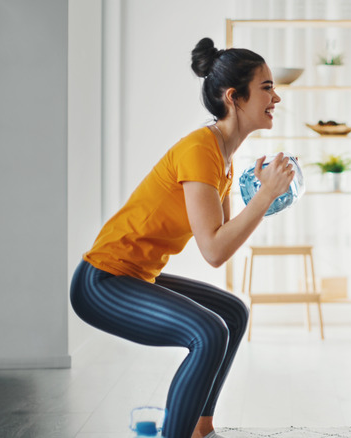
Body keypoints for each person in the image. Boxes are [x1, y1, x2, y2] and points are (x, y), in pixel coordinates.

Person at [70, 38, 293, 438]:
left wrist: (261, 196)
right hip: (101, 282)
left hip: (135, 276)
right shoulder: (199, 149)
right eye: (266, 87)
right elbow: (213, 251)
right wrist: (264, 197)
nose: (276, 97)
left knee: (232, 313)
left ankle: (199, 428)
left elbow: (222, 241)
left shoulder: (223, 155)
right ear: (233, 97)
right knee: (209, 332)